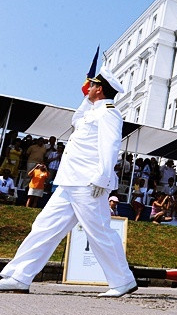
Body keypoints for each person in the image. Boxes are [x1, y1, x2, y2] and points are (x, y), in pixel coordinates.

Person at [0, 67, 138, 297]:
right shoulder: (91, 112)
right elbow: (76, 119)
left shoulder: (109, 113)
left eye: (92, 85)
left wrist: (102, 178)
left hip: (88, 183)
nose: (88, 88)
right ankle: (19, 276)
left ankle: (122, 280)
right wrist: (87, 98)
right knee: (44, 227)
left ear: (100, 89)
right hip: (70, 182)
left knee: (100, 232)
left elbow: (110, 145)